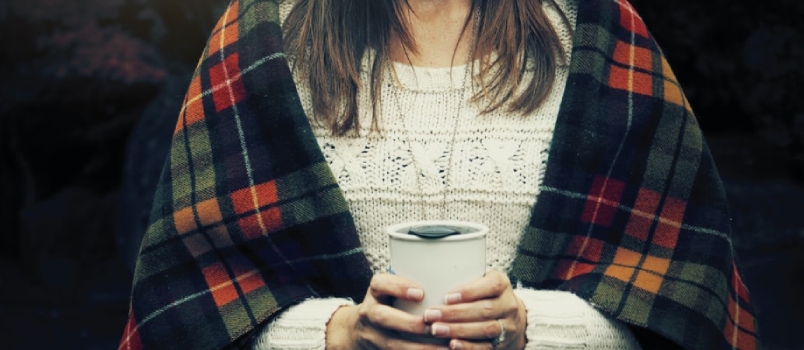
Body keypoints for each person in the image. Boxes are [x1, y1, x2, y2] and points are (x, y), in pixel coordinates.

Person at [119, 0, 760, 349]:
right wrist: (338, 336)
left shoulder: (596, 29)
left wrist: (529, 326)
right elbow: (185, 305)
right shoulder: (261, 32)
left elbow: (685, 292)